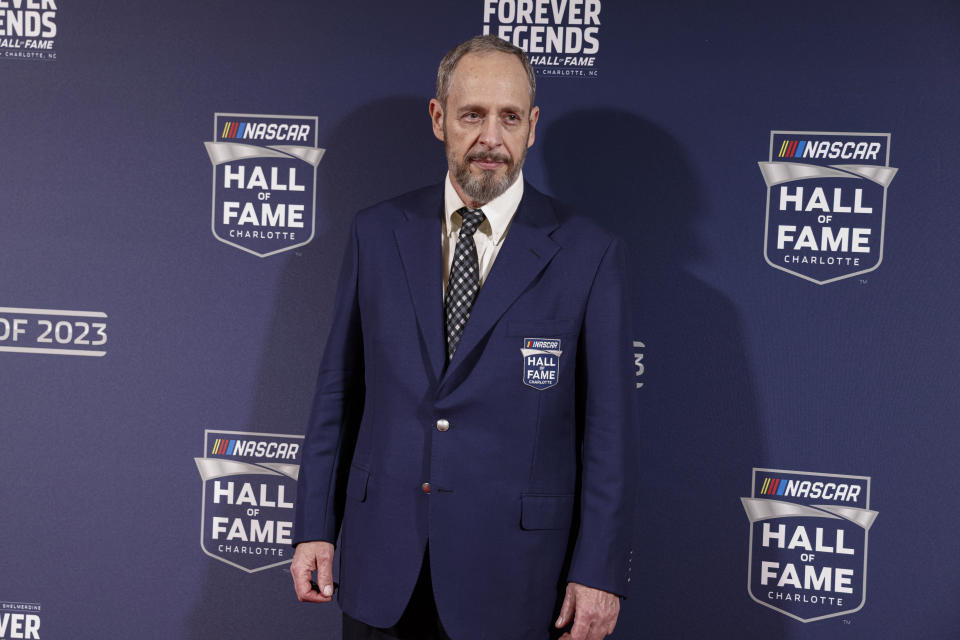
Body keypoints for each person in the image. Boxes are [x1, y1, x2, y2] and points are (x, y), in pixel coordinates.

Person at [290, 35, 634, 640]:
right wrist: (314, 525)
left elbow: (608, 430)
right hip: (382, 568)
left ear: (532, 126)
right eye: (472, 114)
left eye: (508, 118)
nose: (490, 139)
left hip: (519, 580)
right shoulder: (378, 232)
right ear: (438, 118)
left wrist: (599, 569)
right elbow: (337, 392)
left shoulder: (589, 253)